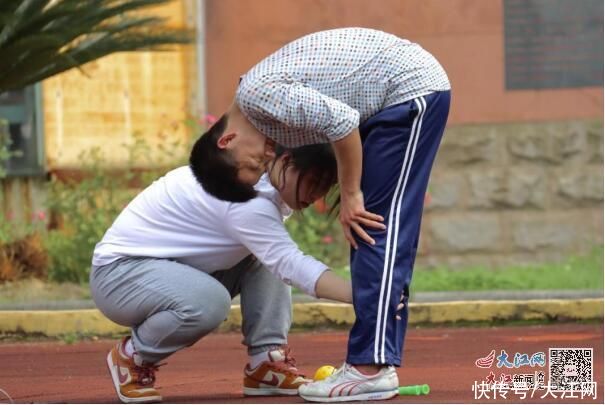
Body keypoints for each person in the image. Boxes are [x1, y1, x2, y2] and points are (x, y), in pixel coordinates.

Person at [191, 27, 451, 402]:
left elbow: (343, 123)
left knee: (373, 222)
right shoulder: (259, 107)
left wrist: (350, 194)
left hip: (409, 91)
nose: (265, 162)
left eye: (252, 166)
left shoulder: (257, 96)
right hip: (392, 98)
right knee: (372, 225)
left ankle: (370, 367)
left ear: (227, 141)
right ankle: (375, 362)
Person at [90, 143, 352, 404]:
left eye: (325, 187)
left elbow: (279, 258)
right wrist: (359, 295)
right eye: (313, 181)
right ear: (285, 160)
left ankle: (266, 364)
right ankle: (132, 355)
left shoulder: (261, 180)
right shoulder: (246, 196)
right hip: (119, 275)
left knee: (266, 253)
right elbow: (291, 264)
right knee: (213, 300)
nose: (317, 194)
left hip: (172, 268)